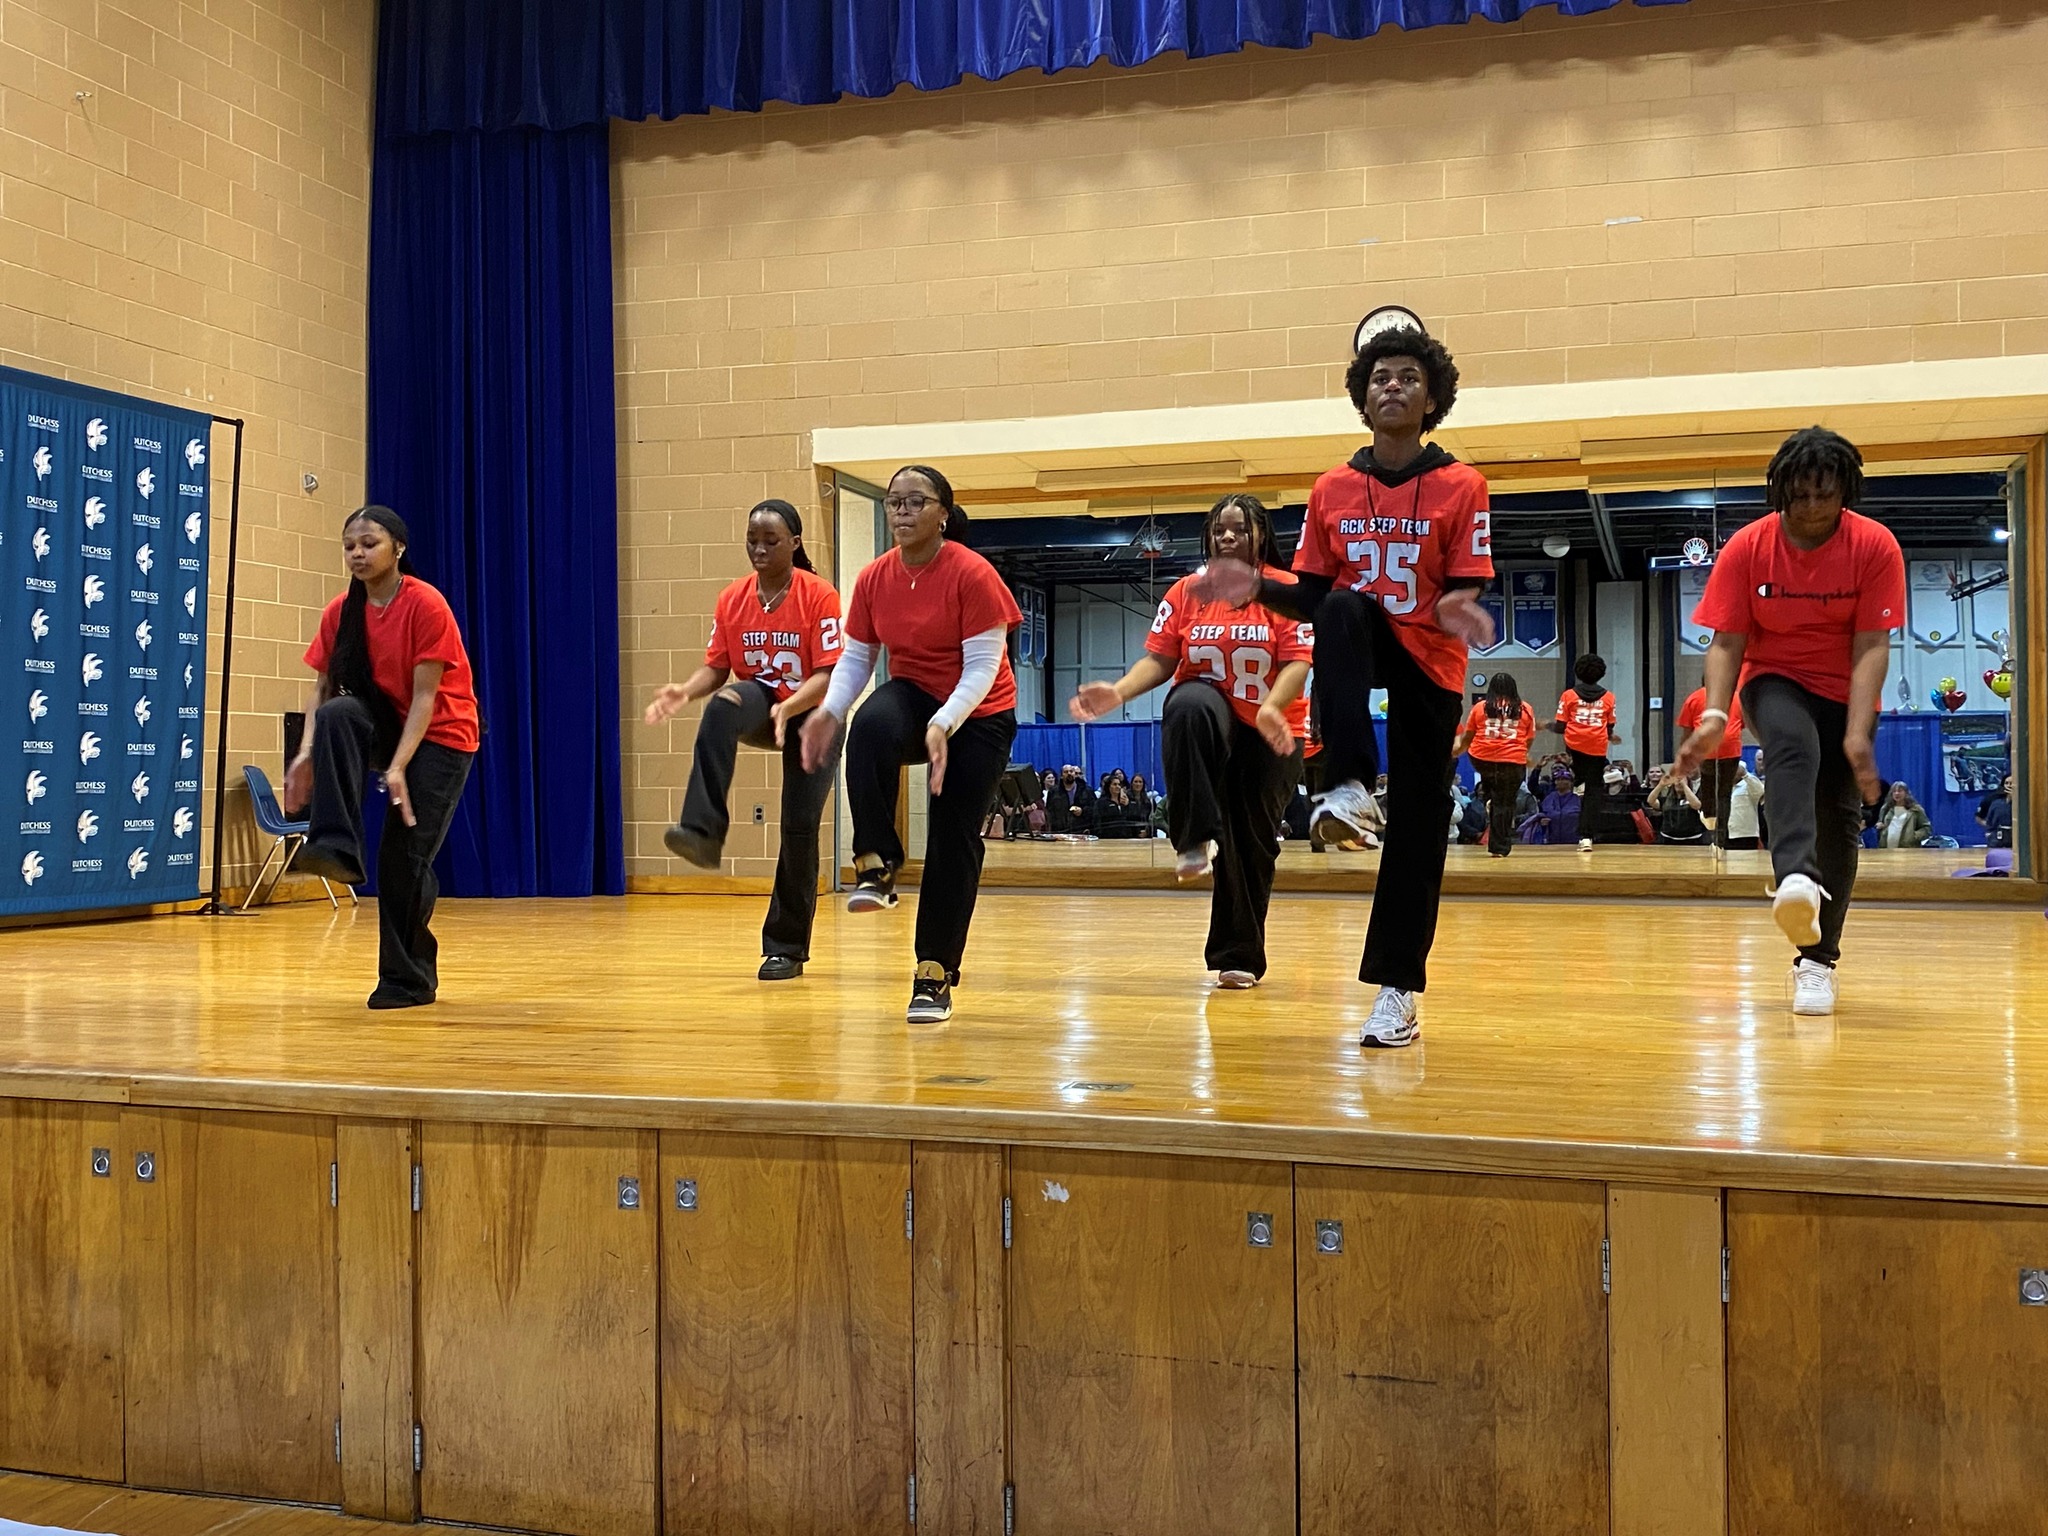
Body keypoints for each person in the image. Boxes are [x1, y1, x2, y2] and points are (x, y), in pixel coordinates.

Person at [1192, 324, 1493, 1046]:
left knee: (1419, 834)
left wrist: (1461, 609)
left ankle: (1397, 992)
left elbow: (1468, 583)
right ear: (1363, 395)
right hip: (1358, 641)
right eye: (1381, 377)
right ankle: (1351, 782)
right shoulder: (1332, 487)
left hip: (1430, 662)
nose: (1393, 386)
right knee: (1345, 604)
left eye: (1408, 378)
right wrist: (1254, 585)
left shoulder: (1463, 484)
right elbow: (1316, 594)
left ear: (1432, 398)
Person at [1675, 426, 1905, 1017]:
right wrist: (1717, 712)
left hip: (1848, 687)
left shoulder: (1874, 546)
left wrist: (1858, 732)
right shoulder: (1749, 547)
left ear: (1844, 492)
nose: (1808, 509)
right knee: (1792, 745)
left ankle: (1816, 962)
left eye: (1821, 496)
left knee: (1840, 816)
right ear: (1780, 492)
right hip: (1773, 676)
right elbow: (1728, 641)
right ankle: (1795, 877)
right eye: (1796, 495)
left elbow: (1873, 644)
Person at [799, 465, 1021, 1025]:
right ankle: (878, 862)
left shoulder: (973, 574)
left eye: (914, 501)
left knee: (952, 837)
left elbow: (981, 667)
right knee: (868, 726)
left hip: (981, 712)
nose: (901, 510)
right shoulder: (876, 577)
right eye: (894, 502)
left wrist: (944, 724)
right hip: (917, 694)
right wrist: (828, 713)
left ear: (943, 513)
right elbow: (856, 658)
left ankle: (933, 972)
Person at [1073, 493, 1310, 988]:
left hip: (1272, 729)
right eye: (1219, 529)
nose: (1227, 537)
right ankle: (1193, 836)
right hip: (1212, 718)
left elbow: (1298, 661)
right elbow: (1161, 659)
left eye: (1239, 529)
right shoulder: (1185, 592)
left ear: (1261, 536)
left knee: (1252, 843)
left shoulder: (1287, 591)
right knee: (1186, 703)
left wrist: (1271, 707)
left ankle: (1240, 953)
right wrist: (1116, 691)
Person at [285, 507, 479, 1009]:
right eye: (349, 545)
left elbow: (425, 698)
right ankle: (335, 844)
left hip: (440, 734)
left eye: (369, 543)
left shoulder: (425, 604)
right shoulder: (340, 611)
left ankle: (407, 979)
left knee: (403, 858)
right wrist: (305, 755)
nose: (357, 553)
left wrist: (397, 768)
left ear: (398, 548)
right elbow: (322, 687)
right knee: (338, 714)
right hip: (383, 724)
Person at [643, 500, 841, 981]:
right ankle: (702, 831)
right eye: (752, 539)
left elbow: (829, 672)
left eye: (770, 541)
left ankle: (786, 947)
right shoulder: (734, 598)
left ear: (795, 543)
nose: (759, 548)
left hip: (813, 714)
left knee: (798, 826)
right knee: (721, 706)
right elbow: (718, 666)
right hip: (763, 701)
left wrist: (791, 708)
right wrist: (685, 690)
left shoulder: (819, 595)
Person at [1452, 670, 1536, 857]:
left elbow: (1469, 735)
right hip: (1512, 760)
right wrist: (1525, 754)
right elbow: (1529, 737)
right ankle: (1499, 847)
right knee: (1505, 804)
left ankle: (1487, 794)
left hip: (1483, 759)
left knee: (1493, 788)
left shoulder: (1480, 707)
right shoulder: (1525, 709)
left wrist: (1460, 750)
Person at [1551, 653, 1618, 852]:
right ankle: (1586, 836)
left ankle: (1578, 778)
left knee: (1582, 777)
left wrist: (1547, 725)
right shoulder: (1608, 697)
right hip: (1597, 746)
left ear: (1578, 672)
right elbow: (1610, 727)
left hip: (1574, 744)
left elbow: (1561, 726)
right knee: (1594, 790)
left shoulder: (1569, 695)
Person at [1678, 685, 1746, 846]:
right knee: (1724, 793)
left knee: (1708, 787)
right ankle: (1721, 837)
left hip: (1706, 747)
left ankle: (1710, 828)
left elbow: (1687, 730)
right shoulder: (1735, 696)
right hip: (1731, 748)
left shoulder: (1694, 697)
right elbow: (1743, 723)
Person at [1648, 769, 1709, 844]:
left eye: (1682, 779)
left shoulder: (1694, 797)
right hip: (1667, 839)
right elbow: (1651, 801)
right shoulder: (1666, 800)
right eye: (1677, 780)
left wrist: (1685, 786)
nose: (1679, 782)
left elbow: (1697, 805)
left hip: (1692, 839)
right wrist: (1661, 785)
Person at [1875, 780, 1932, 849]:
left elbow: (1926, 828)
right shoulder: (1886, 809)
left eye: (1899, 791)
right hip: (1886, 849)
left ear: (1906, 793)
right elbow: (1880, 824)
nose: (1896, 793)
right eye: (1894, 791)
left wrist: (1913, 836)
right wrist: (1880, 826)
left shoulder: (1916, 810)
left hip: (1908, 850)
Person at [1727, 754, 1766, 849]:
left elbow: (1760, 791)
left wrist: (1745, 774)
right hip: (1727, 834)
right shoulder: (1724, 788)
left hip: (1746, 835)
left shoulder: (1748, 785)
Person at [1978, 773, 2013, 848]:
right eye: (2006, 783)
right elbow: (1982, 817)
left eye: (2012, 783)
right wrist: (1990, 832)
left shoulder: (2024, 802)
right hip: (1997, 839)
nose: (2009, 786)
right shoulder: (1993, 800)